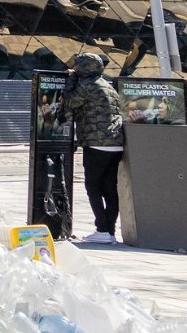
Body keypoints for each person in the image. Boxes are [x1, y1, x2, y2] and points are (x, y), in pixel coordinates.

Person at [62, 52, 124, 245]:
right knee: (110, 188)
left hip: (97, 143)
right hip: (116, 143)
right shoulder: (107, 85)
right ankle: (109, 231)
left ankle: (103, 229)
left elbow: (70, 102)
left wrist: (70, 80)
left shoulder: (87, 85)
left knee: (93, 186)